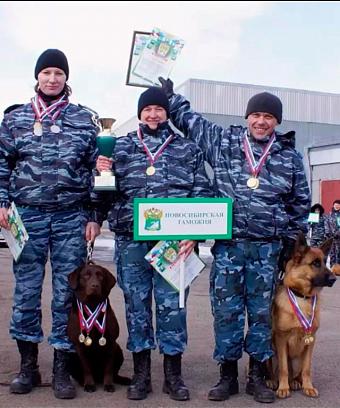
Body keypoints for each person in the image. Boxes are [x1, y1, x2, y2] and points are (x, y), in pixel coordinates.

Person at [159, 78, 311, 403]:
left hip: (268, 250)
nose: (261, 121)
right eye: (256, 114)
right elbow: (192, 124)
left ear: (277, 122)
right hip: (229, 249)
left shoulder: (289, 157)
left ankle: (256, 375)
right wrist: (172, 99)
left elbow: (299, 206)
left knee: (259, 313)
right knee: (226, 311)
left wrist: (291, 248)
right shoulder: (224, 142)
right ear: (246, 117)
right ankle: (226, 376)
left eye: (268, 116)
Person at [96, 86, 212, 401]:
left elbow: (201, 191)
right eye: (147, 109)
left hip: (174, 242)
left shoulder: (187, 149)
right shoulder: (119, 147)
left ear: (167, 112)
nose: (153, 114)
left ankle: (173, 375)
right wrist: (101, 176)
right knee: (137, 305)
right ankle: (142, 374)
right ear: (139, 112)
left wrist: (196, 232)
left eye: (159, 109)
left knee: (172, 306)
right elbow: (103, 194)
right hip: (131, 239)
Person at [0, 49, 101, 400]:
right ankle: (28, 366)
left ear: (66, 78)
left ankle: (61, 365)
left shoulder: (84, 120)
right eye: (47, 73)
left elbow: (94, 173)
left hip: (70, 217)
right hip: (25, 216)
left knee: (65, 291)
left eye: (59, 73)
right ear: (37, 78)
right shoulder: (14, 119)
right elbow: (2, 163)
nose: (53, 79)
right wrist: (1, 202)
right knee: (26, 291)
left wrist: (93, 216)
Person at [325, 199, 340, 266]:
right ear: (333, 205)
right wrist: (327, 232)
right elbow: (326, 223)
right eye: (335, 205)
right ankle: (332, 267)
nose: (337, 206)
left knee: (338, 253)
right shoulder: (330, 215)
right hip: (331, 237)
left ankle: (338, 268)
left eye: (338, 205)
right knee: (332, 253)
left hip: (338, 238)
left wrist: (338, 233)